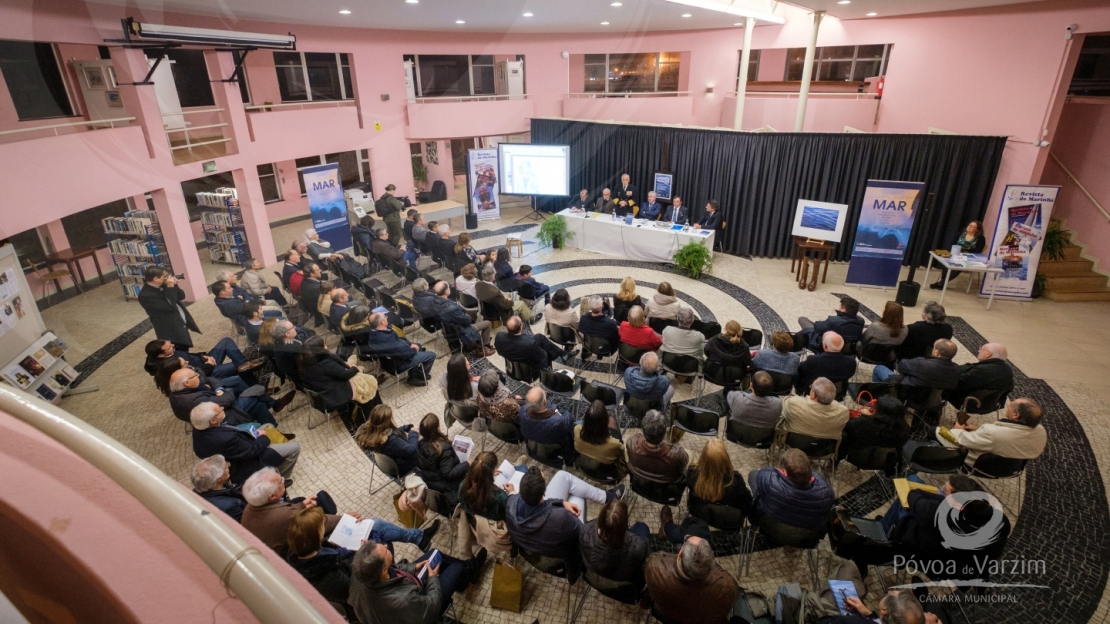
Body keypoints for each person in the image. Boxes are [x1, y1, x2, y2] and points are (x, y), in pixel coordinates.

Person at [348, 535, 487, 624]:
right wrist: (433, 578)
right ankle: (469, 571)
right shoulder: (403, 600)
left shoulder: (361, 574)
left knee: (435, 554)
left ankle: (466, 574)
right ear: (383, 571)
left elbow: (393, 567)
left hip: (407, 592)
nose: (386, 546)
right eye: (386, 551)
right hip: (424, 608)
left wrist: (412, 568)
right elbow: (431, 606)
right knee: (456, 567)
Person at [505, 466, 621, 561]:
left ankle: (607, 497)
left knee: (562, 476)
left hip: (535, 549)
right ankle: (609, 497)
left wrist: (560, 502)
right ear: (544, 493)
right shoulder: (560, 517)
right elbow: (580, 532)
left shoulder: (511, 503)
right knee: (577, 494)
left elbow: (531, 503)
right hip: (563, 548)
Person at [661, 439, 752, 543]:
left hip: (698, 514)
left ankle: (666, 526)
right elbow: (747, 503)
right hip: (729, 523)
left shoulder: (692, 473)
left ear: (703, 457)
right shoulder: (736, 480)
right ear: (726, 459)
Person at [190, 402, 301, 482]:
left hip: (237, 452)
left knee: (268, 426)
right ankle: (278, 479)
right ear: (213, 421)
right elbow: (252, 451)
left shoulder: (198, 428)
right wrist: (263, 437)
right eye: (219, 410)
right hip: (245, 464)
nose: (222, 408)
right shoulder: (226, 438)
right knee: (294, 448)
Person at [644, 535, 740, 624]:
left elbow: (655, 557)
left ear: (680, 554)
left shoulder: (655, 568)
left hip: (665, 616)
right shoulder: (728, 587)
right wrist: (704, 563)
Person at [937, 397, 1047, 466]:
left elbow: (964, 440)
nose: (1008, 405)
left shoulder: (991, 432)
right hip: (1014, 467)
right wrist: (977, 428)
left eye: (1011, 405)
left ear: (1015, 415)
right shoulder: (1041, 431)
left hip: (981, 464)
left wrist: (959, 430)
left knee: (935, 430)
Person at [749, 449, 834, 534]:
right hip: (807, 538)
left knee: (753, 474)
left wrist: (780, 472)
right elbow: (817, 476)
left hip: (771, 530)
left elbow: (765, 471)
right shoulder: (827, 492)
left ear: (785, 473)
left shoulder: (769, 480)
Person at [297, 335, 380, 424]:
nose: (325, 344)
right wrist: (355, 368)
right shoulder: (325, 364)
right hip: (334, 395)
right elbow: (345, 375)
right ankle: (375, 416)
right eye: (323, 343)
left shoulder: (304, 363)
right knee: (369, 387)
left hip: (322, 394)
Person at [168, 367, 286, 427]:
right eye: (195, 376)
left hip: (219, 405)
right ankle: (274, 405)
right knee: (256, 394)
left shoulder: (177, 391)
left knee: (257, 403)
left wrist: (219, 390)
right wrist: (226, 391)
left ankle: (273, 422)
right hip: (223, 419)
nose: (198, 375)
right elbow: (227, 400)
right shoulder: (193, 401)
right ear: (187, 383)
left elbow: (208, 378)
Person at [580, 498, 650, 585]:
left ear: (601, 518)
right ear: (624, 525)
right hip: (622, 584)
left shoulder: (585, 531)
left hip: (595, 576)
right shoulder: (638, 548)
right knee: (642, 526)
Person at [364, 312, 435, 385]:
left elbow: (399, 342)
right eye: (385, 316)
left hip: (389, 361)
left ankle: (413, 374)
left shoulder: (374, 332)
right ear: (381, 322)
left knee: (418, 345)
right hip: (398, 364)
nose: (387, 317)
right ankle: (418, 377)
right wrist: (414, 349)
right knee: (431, 355)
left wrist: (410, 344)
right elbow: (407, 355)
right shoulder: (387, 339)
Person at [427, 281, 495, 357]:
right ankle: (483, 347)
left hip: (449, 330)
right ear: (446, 291)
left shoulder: (434, 303)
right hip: (462, 331)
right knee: (487, 323)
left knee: (469, 314)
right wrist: (467, 317)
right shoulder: (452, 308)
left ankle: (477, 343)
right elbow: (466, 322)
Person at [138, 266, 199, 349]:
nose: (167, 278)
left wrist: (174, 285)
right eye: (165, 276)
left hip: (180, 321)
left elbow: (181, 296)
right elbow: (169, 306)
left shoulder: (163, 284)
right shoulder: (145, 295)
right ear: (156, 279)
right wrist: (170, 287)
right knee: (178, 350)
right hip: (169, 328)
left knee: (185, 346)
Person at [839, 395, 911, 462]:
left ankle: (836, 460)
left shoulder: (863, 423)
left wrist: (865, 416)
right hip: (886, 461)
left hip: (858, 456)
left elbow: (846, 427)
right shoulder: (904, 428)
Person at [416, 413, 468, 507]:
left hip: (432, 483)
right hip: (448, 487)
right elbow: (448, 474)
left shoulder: (420, 444)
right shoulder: (443, 449)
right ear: (437, 428)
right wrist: (467, 464)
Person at [143, 337, 254, 381]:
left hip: (204, 362)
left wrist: (202, 356)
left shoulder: (169, 352)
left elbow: (189, 355)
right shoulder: (170, 365)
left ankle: (243, 363)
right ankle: (256, 386)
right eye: (169, 347)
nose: (173, 346)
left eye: (170, 343)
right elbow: (198, 374)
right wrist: (209, 365)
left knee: (226, 341)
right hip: (208, 372)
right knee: (239, 367)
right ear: (161, 355)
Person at [626, 409, 688, 484]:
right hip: (666, 490)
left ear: (644, 432)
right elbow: (685, 461)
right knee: (690, 454)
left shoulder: (631, 443)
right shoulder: (677, 454)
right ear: (664, 433)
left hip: (640, 486)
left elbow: (638, 438)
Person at [355, 405, 420, 476]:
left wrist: (405, 428)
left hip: (386, 463)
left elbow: (392, 432)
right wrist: (413, 433)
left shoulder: (371, 433)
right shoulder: (391, 440)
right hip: (403, 465)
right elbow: (411, 451)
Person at [779, 377, 850, 441]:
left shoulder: (794, 403)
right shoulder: (843, 412)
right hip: (824, 450)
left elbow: (784, 404)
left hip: (793, 443)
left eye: (811, 387)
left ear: (813, 394)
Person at [945, 342, 1014, 408]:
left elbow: (959, 384)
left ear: (988, 354)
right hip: (992, 404)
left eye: (981, 349)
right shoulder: (1007, 369)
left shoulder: (983, 370)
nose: (979, 351)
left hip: (971, 402)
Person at [495, 315, 577, 370]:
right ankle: (562, 354)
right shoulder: (529, 344)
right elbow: (542, 358)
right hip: (529, 369)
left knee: (539, 337)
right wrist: (543, 350)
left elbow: (499, 351)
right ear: (521, 327)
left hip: (512, 368)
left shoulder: (499, 336)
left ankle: (562, 354)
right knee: (545, 350)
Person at [520, 387, 576, 464]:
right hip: (556, 449)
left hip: (533, 446)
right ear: (544, 403)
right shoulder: (557, 421)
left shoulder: (522, 411)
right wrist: (560, 411)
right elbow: (568, 418)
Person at [873, 338, 960, 388]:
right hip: (931, 400)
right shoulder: (957, 370)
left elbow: (900, 367)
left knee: (879, 368)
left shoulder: (921, 363)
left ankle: (875, 397)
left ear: (937, 352)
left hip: (906, 391)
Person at [574, 400, 628, 479]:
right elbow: (623, 458)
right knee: (612, 419)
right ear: (605, 422)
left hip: (584, 469)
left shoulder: (577, 430)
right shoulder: (614, 444)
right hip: (607, 476)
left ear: (586, 420)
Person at [930, 220, 985, 290]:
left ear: (977, 230)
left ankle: (940, 283)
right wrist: (949, 253)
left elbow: (977, 252)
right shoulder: (961, 233)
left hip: (967, 257)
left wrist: (965, 256)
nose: (969, 227)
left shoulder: (980, 238)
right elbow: (952, 244)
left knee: (957, 267)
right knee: (946, 265)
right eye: (969, 225)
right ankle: (942, 283)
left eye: (973, 226)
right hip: (955, 254)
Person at [798, 295, 864, 353]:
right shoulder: (861, 321)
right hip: (848, 350)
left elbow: (817, 327)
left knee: (802, 319)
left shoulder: (833, 320)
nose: (839, 307)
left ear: (843, 310)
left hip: (824, 346)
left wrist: (821, 322)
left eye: (840, 306)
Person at [191, 454, 247, 522]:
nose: (229, 465)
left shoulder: (195, 492)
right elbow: (244, 523)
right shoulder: (230, 506)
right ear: (219, 479)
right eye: (226, 466)